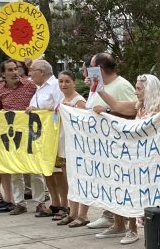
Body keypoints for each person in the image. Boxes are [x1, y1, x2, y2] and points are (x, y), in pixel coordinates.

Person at [90, 73, 160, 245]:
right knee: (129, 188)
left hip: (155, 160)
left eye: (139, 88)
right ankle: (128, 227)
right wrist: (100, 91)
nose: (136, 92)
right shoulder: (139, 106)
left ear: (149, 89)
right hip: (137, 157)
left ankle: (143, 231)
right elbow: (116, 105)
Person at [83, 53, 139, 239]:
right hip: (102, 147)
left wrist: (108, 111)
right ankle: (116, 223)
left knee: (124, 186)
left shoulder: (121, 85)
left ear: (99, 69)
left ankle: (130, 226)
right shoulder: (97, 87)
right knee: (111, 185)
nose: (88, 70)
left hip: (119, 146)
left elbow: (132, 112)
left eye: (91, 66)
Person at [0, 59, 37, 215]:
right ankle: (19, 203)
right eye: (10, 70)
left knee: (35, 169)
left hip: (31, 132)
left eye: (16, 68)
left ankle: (40, 203)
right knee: (15, 170)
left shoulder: (30, 86)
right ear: (3, 74)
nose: (14, 72)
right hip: (11, 136)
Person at [26, 60, 61, 218]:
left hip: (56, 135)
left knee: (59, 172)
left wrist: (46, 110)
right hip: (43, 138)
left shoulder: (56, 86)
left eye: (32, 70)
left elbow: (60, 107)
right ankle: (55, 202)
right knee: (48, 171)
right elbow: (33, 106)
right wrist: (32, 109)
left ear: (41, 72)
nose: (30, 73)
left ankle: (64, 204)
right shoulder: (39, 89)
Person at [55, 71, 88, 227]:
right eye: (61, 81)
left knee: (80, 179)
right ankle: (72, 212)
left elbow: (85, 122)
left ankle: (83, 214)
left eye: (67, 81)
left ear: (74, 82)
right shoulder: (61, 100)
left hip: (77, 147)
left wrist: (72, 110)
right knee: (69, 180)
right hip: (65, 145)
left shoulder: (79, 100)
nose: (64, 84)